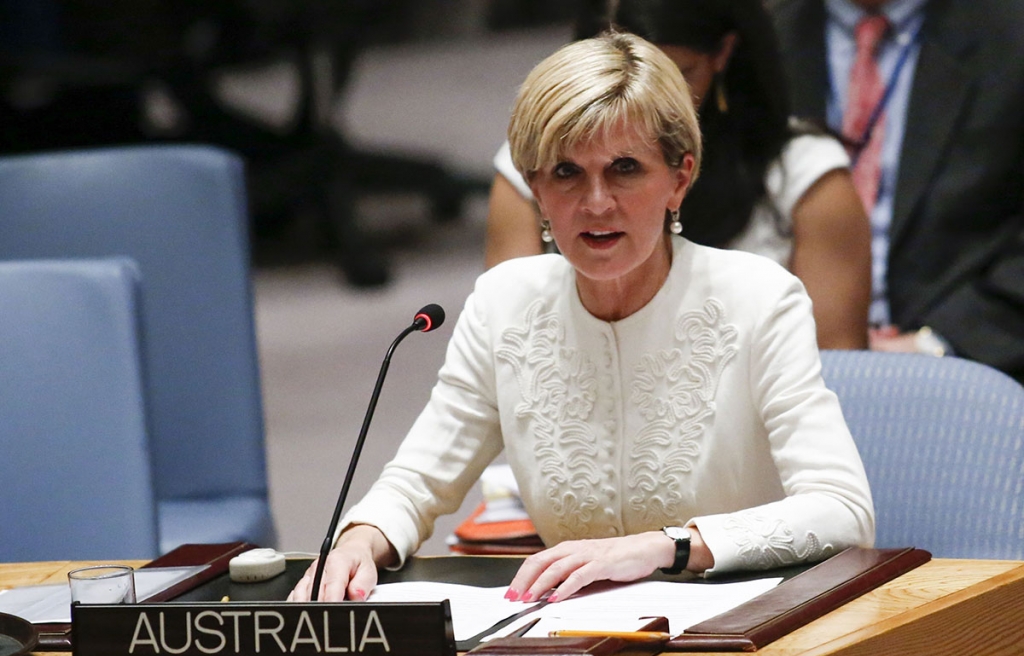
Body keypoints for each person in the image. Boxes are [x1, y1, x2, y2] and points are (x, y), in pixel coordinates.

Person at [289, 32, 874, 604]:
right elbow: (418, 483)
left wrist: (665, 547)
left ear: (679, 178)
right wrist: (359, 541)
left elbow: (843, 511)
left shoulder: (760, 299)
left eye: (624, 168)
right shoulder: (504, 304)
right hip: (577, 641)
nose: (596, 203)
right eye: (567, 173)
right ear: (536, 190)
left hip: (743, 630)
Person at [485, 0, 872, 351]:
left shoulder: (807, 179)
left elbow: (837, 377)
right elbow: (505, 350)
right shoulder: (530, 169)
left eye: (678, 75)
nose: (655, 101)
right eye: (568, 173)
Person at [770, 0, 1024, 381]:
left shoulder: (1010, 35)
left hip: (977, 366)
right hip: (785, 367)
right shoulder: (756, 37)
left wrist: (940, 344)